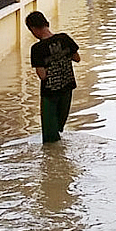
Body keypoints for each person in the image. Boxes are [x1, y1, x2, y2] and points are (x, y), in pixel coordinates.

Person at [25, 11, 81, 143]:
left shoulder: (37, 49)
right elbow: (77, 58)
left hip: (50, 93)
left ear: (33, 29)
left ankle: (52, 160)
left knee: (50, 137)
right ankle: (60, 157)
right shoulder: (64, 38)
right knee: (59, 127)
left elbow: (42, 75)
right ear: (46, 23)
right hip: (67, 88)